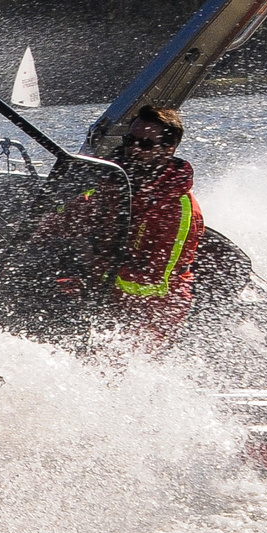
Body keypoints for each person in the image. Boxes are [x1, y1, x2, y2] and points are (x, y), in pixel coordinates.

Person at [39, 104, 204, 349]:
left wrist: (91, 261)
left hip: (149, 316)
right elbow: (77, 213)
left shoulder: (177, 209)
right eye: (130, 139)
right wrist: (37, 230)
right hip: (102, 293)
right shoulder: (115, 180)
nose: (133, 149)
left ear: (169, 149)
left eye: (145, 144)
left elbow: (153, 284)